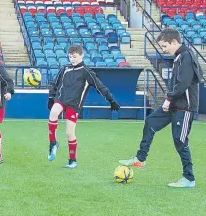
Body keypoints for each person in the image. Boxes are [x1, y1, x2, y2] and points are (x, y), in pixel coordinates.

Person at [119, 29, 202, 188]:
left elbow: (184, 83)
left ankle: (189, 178)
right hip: (174, 105)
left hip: (185, 107)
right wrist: (170, 100)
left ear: (174, 42)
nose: (163, 49)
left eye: (165, 46)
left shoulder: (186, 56)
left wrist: (169, 98)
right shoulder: (178, 57)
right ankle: (140, 158)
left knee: (180, 140)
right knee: (150, 121)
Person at [47, 44, 120, 168]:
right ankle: (53, 143)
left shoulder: (87, 72)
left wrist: (111, 100)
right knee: (53, 112)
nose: (72, 59)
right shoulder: (64, 68)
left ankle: (72, 161)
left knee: (69, 133)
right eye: (70, 57)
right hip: (61, 99)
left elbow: (100, 86)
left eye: (74, 57)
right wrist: (51, 98)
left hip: (74, 104)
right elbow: (55, 83)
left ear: (82, 55)